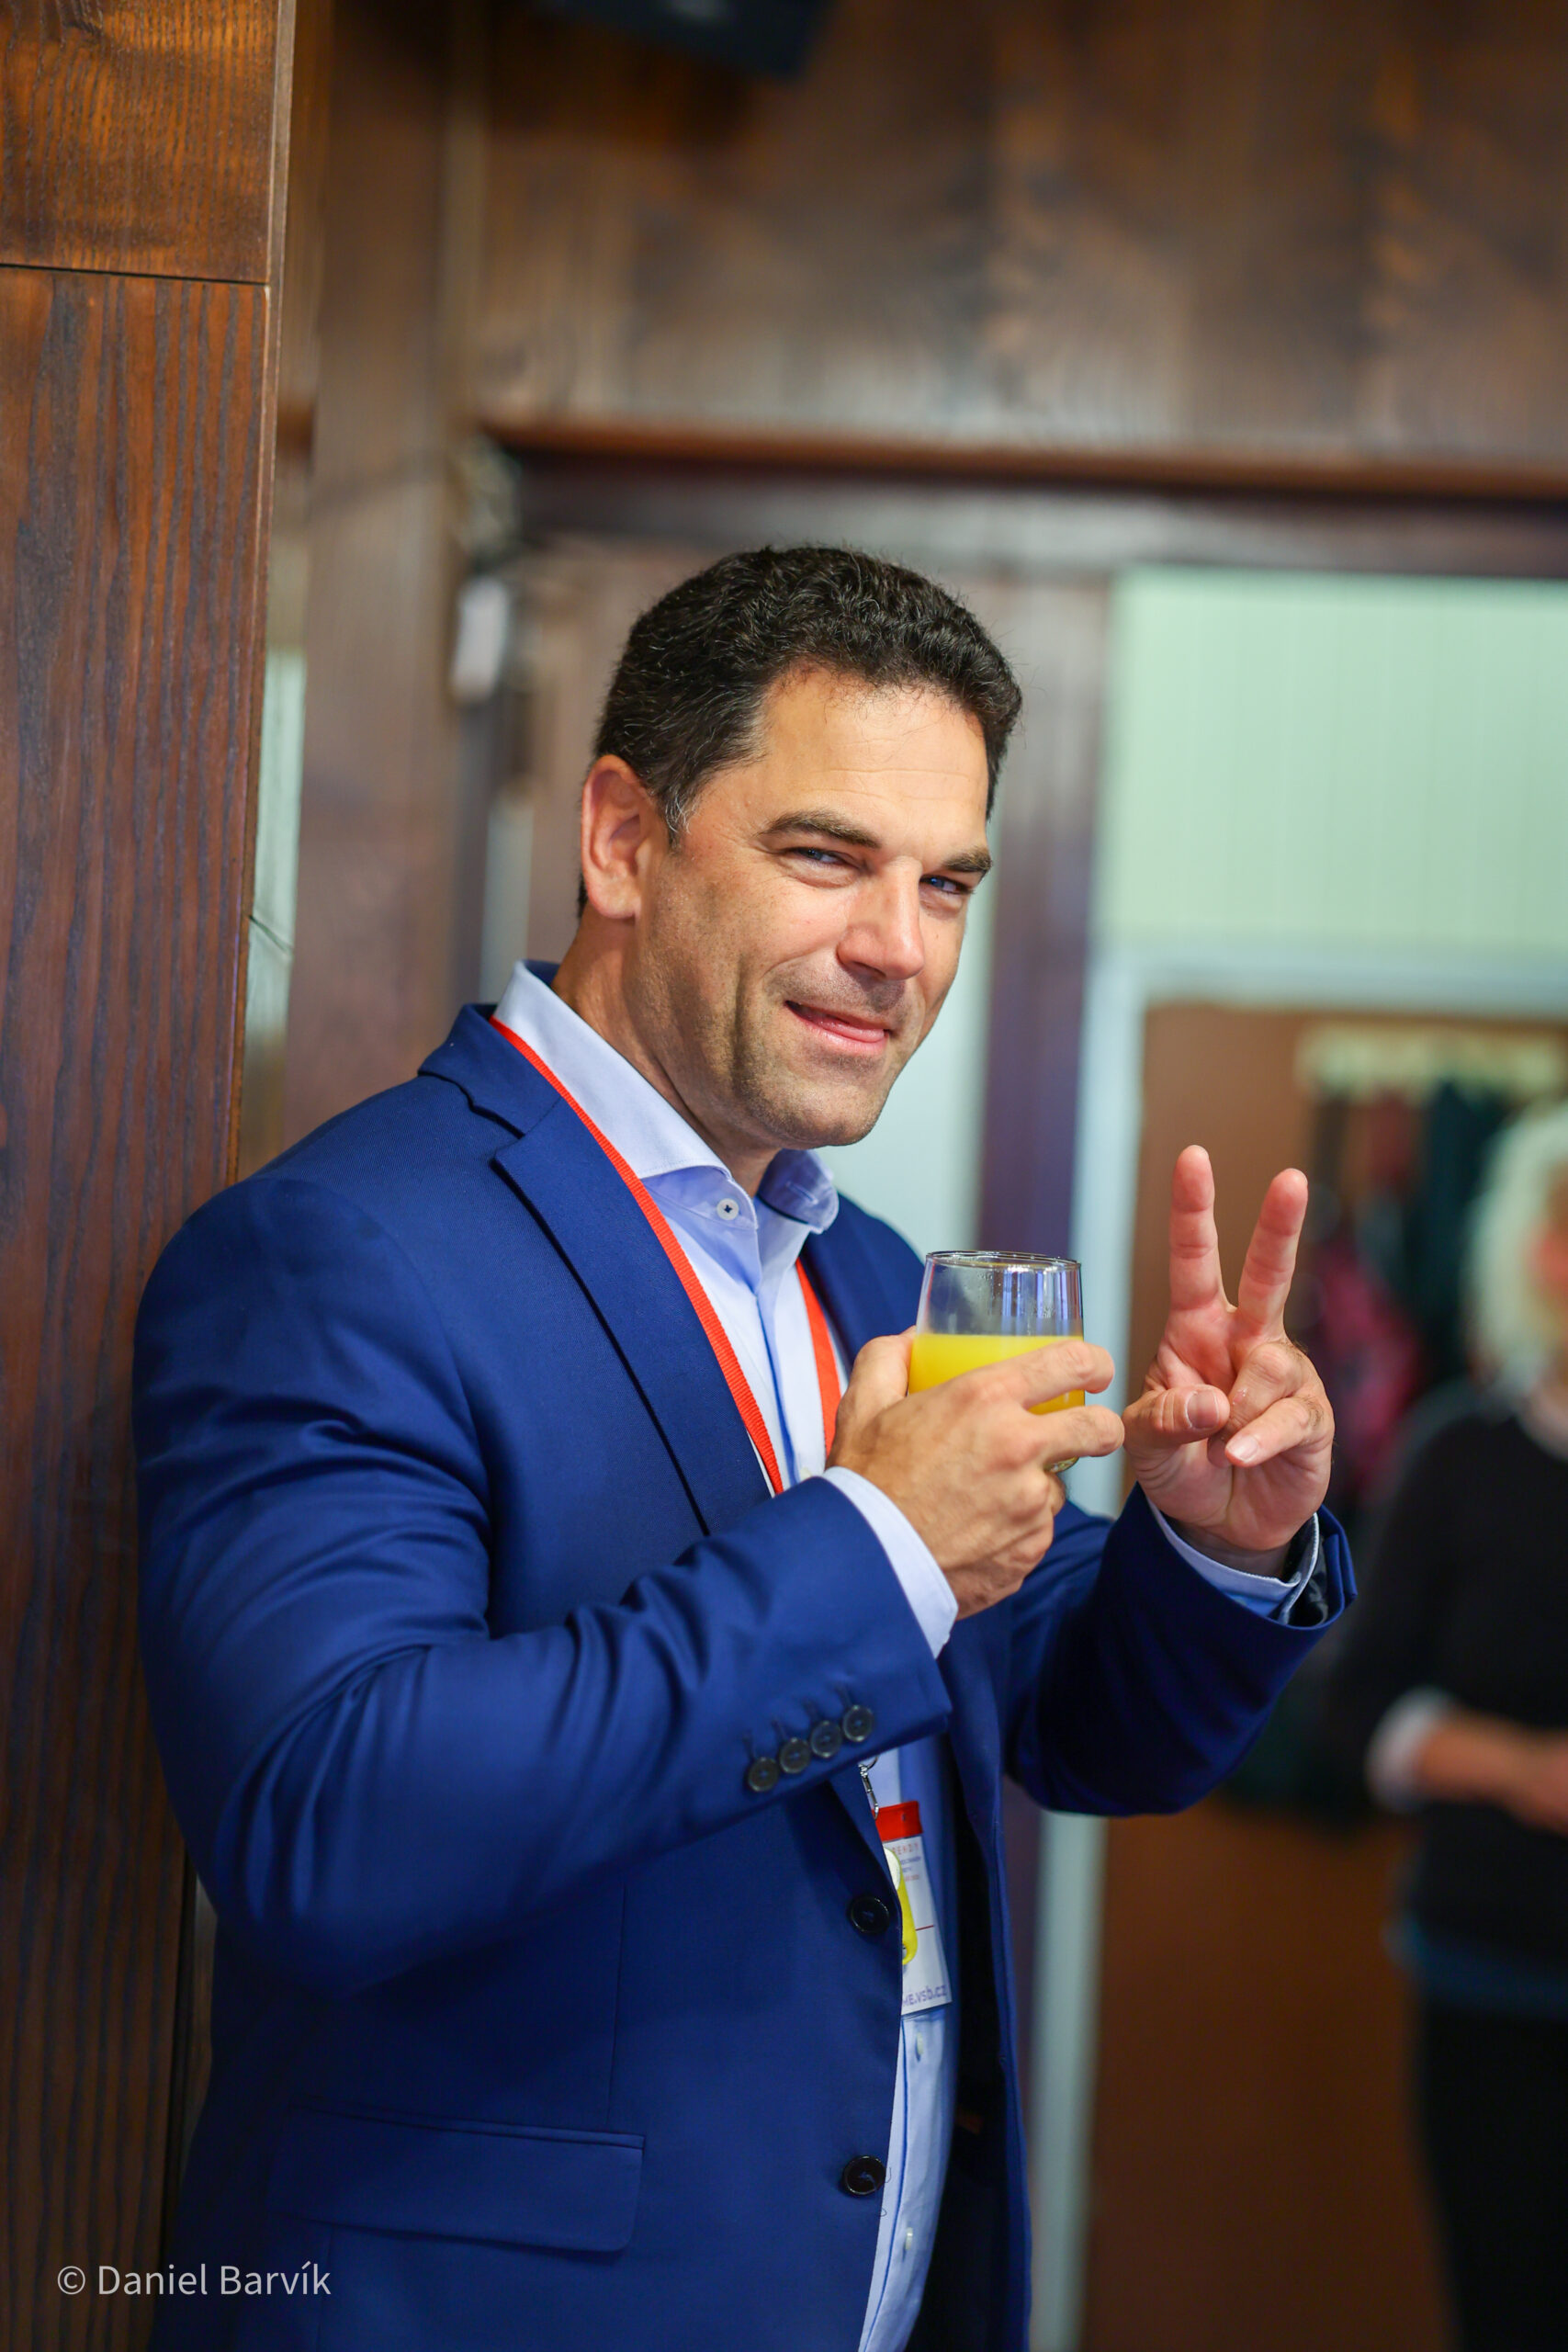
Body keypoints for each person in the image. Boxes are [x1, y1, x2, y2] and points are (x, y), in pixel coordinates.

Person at [134, 546, 1350, 2352]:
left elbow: (1084, 1721)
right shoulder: (343, 1248)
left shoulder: (861, 1270)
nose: (900, 946)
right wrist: (872, 1543)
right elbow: (328, 1821)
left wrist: (1217, 1541)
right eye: (826, 855)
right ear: (623, 839)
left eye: (946, 881)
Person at [1325, 1100, 1568, 2352]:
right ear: (1539, 1254)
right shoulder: (1457, 1457)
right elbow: (1352, 1709)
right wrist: (1522, 1770)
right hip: (1495, 1982)